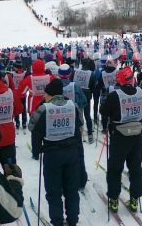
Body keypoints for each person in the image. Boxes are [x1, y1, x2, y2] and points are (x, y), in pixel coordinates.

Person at [29, 79, 83, 226]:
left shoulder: (44, 108)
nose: (44, 96)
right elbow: (80, 124)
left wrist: (36, 151)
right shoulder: (73, 105)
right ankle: (72, 220)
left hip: (52, 153)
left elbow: (33, 128)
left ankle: (57, 222)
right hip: (71, 152)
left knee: (53, 191)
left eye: (45, 94)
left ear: (50, 94)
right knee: (72, 189)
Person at [100, 67, 142, 213]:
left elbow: (104, 111)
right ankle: (134, 200)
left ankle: (113, 200)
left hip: (120, 136)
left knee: (114, 169)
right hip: (137, 135)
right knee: (135, 169)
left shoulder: (115, 95)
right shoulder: (140, 91)